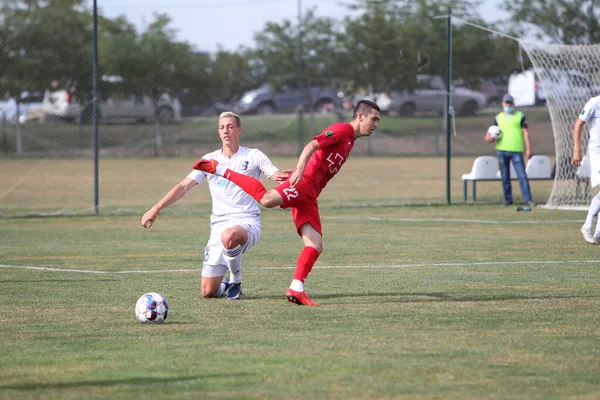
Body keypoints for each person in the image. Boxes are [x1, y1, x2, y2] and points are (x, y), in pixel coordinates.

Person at [192, 100, 381, 306]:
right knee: (266, 200)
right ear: (360, 117)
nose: (376, 124)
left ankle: (296, 288)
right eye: (374, 119)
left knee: (315, 245)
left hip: (311, 194)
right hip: (304, 185)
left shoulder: (350, 140)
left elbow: (321, 159)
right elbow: (312, 145)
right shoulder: (343, 130)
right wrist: (301, 170)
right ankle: (221, 170)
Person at [141, 111, 289, 299]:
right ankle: (225, 284)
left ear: (239, 130)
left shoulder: (253, 156)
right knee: (208, 292)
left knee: (230, 236)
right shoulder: (209, 160)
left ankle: (236, 281)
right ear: (218, 133)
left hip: (247, 221)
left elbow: (276, 175)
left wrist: (295, 176)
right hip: (218, 226)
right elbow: (183, 186)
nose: (225, 131)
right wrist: (155, 209)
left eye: (230, 126)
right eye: (221, 127)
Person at [484, 93, 535, 206]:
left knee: (522, 176)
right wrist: (490, 138)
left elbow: (525, 133)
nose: (508, 105)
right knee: (505, 177)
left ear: (513, 104)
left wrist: (528, 148)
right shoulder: (498, 118)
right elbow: (490, 134)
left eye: (510, 103)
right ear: (503, 104)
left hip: (516, 150)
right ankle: (508, 199)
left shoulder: (520, 116)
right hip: (502, 150)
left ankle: (528, 199)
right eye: (506, 103)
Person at [573, 94, 600, 244]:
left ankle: (598, 234)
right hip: (596, 153)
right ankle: (587, 226)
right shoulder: (594, 102)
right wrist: (577, 149)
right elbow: (578, 124)